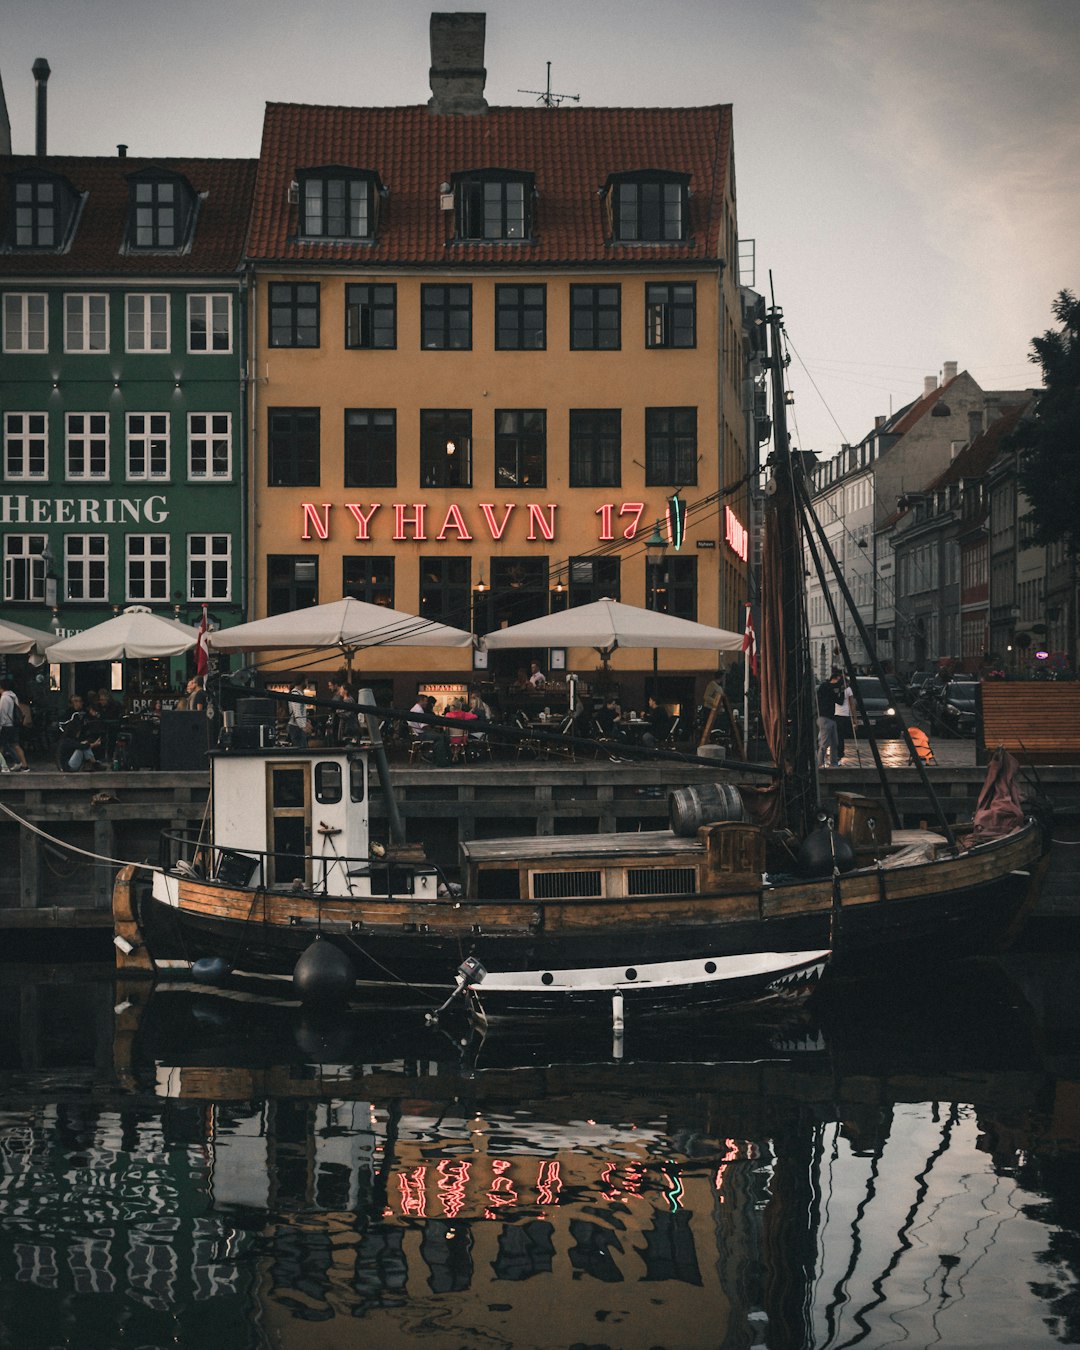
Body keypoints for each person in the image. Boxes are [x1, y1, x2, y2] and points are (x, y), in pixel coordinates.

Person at [57, 694, 103, 772]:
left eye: (80, 701)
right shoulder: (70, 714)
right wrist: (93, 744)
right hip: (68, 766)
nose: (78, 703)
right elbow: (62, 724)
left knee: (83, 745)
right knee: (82, 747)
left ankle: (92, 763)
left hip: (76, 743)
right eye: (75, 701)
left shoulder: (84, 713)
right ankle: (94, 763)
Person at [0, 678, 28, 771]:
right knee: (15, 745)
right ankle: (24, 765)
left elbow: (3, 713)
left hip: (6, 725)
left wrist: (1, 725)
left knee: (5, 745)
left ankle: (13, 763)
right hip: (14, 724)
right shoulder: (13, 696)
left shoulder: (4, 698)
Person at [816, 669, 843, 767]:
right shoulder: (825, 686)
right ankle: (820, 763)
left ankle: (834, 762)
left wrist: (841, 691)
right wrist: (836, 688)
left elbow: (840, 702)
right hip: (824, 717)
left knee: (835, 742)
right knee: (824, 742)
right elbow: (826, 694)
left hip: (832, 717)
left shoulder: (835, 690)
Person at [331, 678, 359, 744]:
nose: (340, 691)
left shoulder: (349, 700)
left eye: (341, 689)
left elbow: (346, 713)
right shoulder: (345, 700)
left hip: (348, 727)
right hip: (347, 727)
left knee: (347, 743)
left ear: (346, 691)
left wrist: (337, 711)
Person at [835, 677, 854, 760]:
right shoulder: (841, 689)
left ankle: (839, 752)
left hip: (841, 714)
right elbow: (852, 703)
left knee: (839, 735)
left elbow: (851, 703)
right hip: (840, 714)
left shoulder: (846, 690)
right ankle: (839, 752)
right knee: (840, 735)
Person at [287, 682, 310, 749]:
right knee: (301, 748)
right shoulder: (295, 694)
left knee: (301, 747)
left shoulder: (297, 694)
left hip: (296, 725)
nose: (307, 683)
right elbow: (297, 712)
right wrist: (303, 726)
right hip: (296, 726)